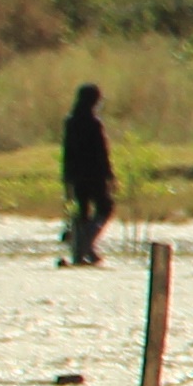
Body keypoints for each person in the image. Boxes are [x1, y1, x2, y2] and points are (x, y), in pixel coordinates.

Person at [59, 83, 117, 267]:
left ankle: (82, 251)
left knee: (82, 212)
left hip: (76, 175)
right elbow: (101, 153)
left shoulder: (70, 122)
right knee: (105, 208)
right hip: (95, 175)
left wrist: (66, 177)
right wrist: (109, 176)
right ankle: (85, 246)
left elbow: (67, 153)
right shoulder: (94, 123)